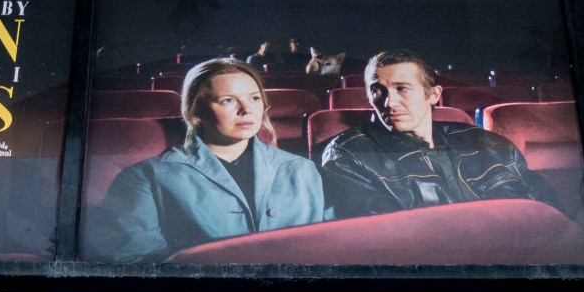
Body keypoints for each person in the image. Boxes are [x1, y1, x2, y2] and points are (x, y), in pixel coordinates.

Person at [88, 58, 328, 260]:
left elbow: (326, 251)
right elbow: (134, 262)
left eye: (254, 98)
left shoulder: (303, 170)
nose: (247, 109)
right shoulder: (145, 177)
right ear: (195, 113)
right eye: (228, 100)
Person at [318, 49, 552, 219]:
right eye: (377, 90)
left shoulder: (485, 142)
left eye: (402, 88)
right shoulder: (349, 154)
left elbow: (547, 210)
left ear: (433, 95)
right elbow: (382, 238)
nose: (389, 102)